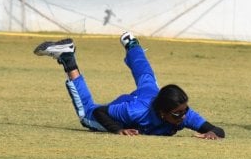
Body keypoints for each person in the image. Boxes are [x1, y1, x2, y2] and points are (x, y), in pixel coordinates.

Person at [34, 32, 225, 139]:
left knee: (146, 75)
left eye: (185, 110)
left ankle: (131, 44)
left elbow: (219, 130)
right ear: (162, 113)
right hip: (126, 106)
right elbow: (101, 112)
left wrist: (210, 133)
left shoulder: (183, 114)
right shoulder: (135, 111)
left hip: (149, 94)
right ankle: (68, 59)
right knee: (87, 114)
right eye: (178, 113)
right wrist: (118, 130)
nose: (184, 116)